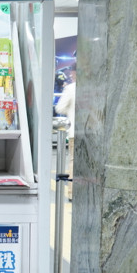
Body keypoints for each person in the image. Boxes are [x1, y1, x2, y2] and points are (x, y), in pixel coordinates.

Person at [54, 66, 76, 200]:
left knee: (74, 162)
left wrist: (70, 110)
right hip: (92, 134)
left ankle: (72, 193)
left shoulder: (71, 88)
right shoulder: (95, 87)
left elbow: (59, 107)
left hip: (74, 131)